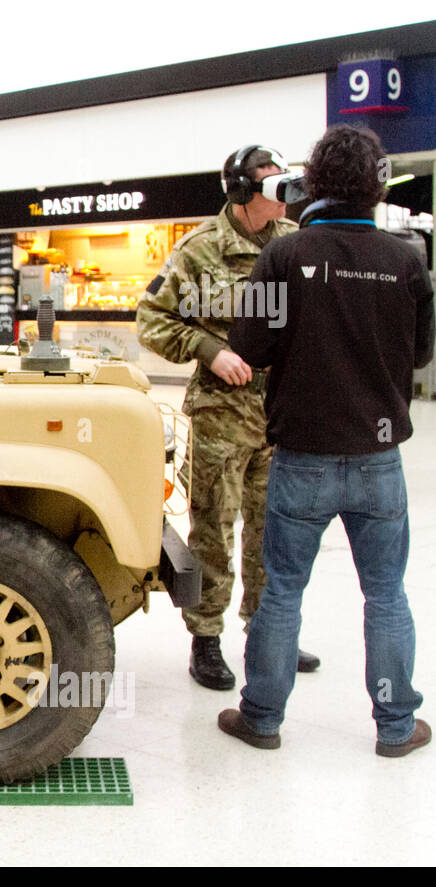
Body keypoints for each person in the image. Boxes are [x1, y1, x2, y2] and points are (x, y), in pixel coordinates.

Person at [224, 125, 433, 755]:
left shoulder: (282, 257)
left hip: (302, 457)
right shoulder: (408, 260)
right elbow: (421, 354)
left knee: (282, 589)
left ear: (312, 182)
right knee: (387, 593)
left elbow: (249, 348)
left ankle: (261, 719)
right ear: (378, 184)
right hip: (379, 458)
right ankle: (396, 727)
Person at [136, 144, 320, 690]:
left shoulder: (294, 245)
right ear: (243, 191)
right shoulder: (200, 249)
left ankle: (268, 632)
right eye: (272, 182)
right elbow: (152, 319)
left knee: (276, 531)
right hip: (221, 414)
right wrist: (208, 348)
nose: (284, 192)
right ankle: (206, 640)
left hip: (282, 412)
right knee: (214, 528)